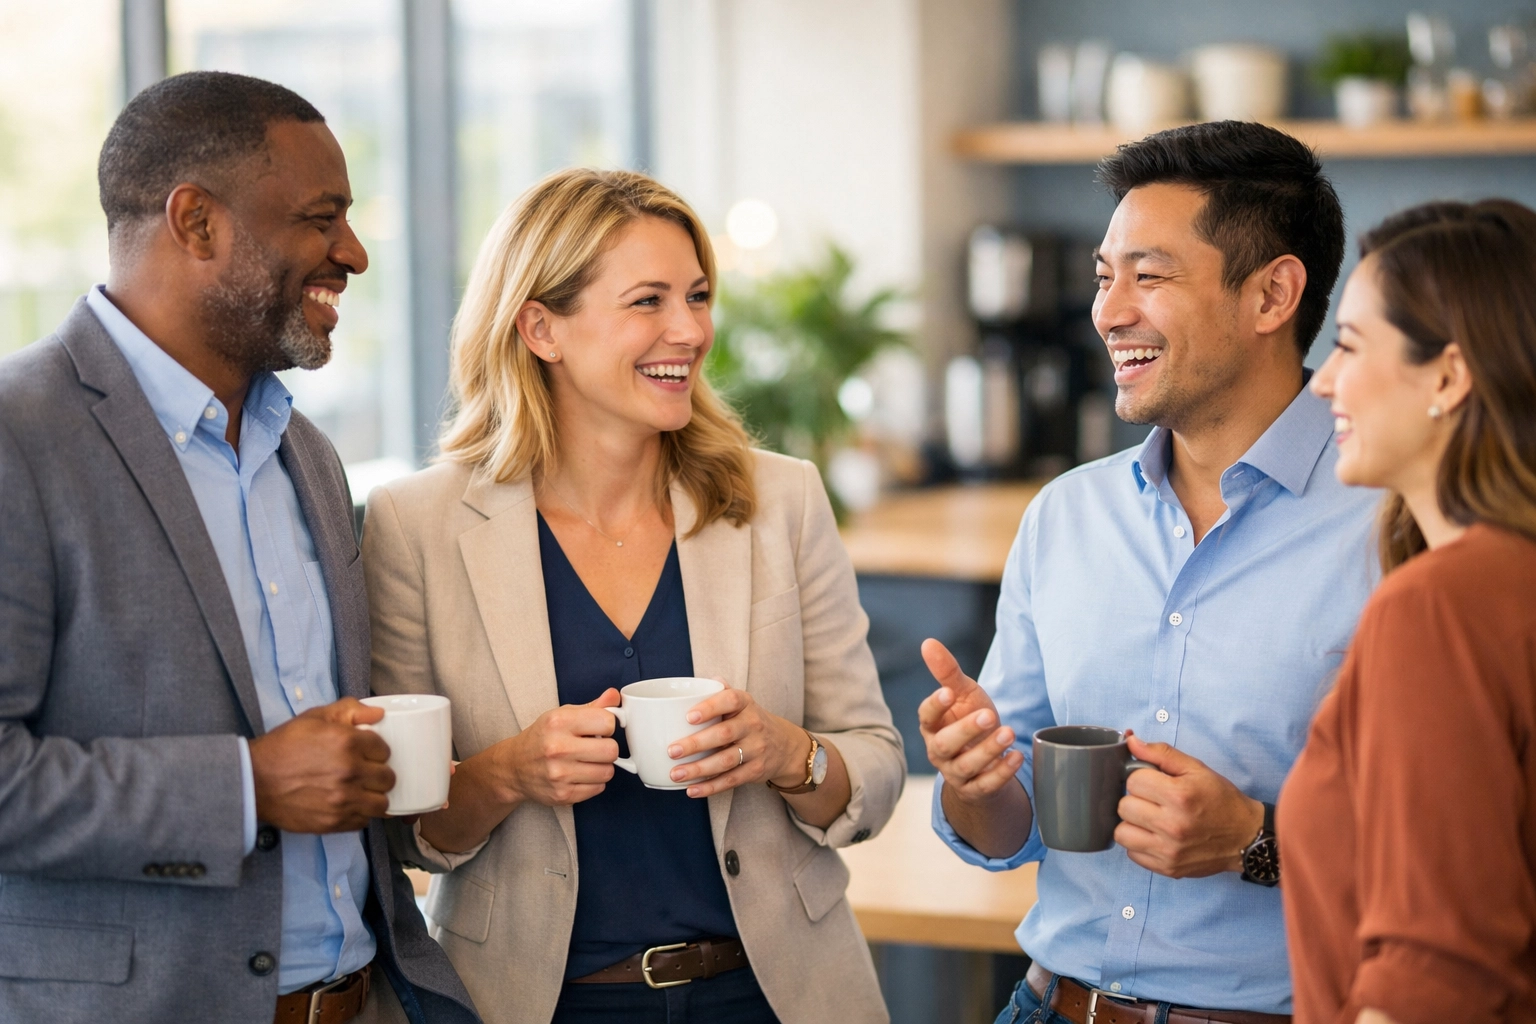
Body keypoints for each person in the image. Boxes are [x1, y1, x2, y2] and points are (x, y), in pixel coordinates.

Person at [362, 167, 904, 1024]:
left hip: (772, 995)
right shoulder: (413, 526)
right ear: (542, 327)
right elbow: (399, 830)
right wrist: (508, 774)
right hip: (535, 1002)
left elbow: (875, 766)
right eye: (647, 301)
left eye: (697, 296)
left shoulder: (781, 499)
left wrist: (784, 752)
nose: (689, 330)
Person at [0, 72, 479, 1024]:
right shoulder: (20, 438)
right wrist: (248, 786)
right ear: (197, 222)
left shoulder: (305, 451)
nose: (354, 253)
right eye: (320, 218)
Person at [918, 120, 1383, 1023]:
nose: (1108, 311)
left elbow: (1465, 848)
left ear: (1272, 294)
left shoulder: (1391, 524)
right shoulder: (1065, 516)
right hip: (1048, 1005)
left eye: (1151, 276)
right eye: (1105, 276)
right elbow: (1009, 831)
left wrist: (1256, 841)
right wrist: (975, 781)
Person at [1280, 199, 1536, 1024]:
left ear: (1450, 376)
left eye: (1350, 347)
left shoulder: (1436, 609)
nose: (1323, 382)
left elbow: (1434, 978)